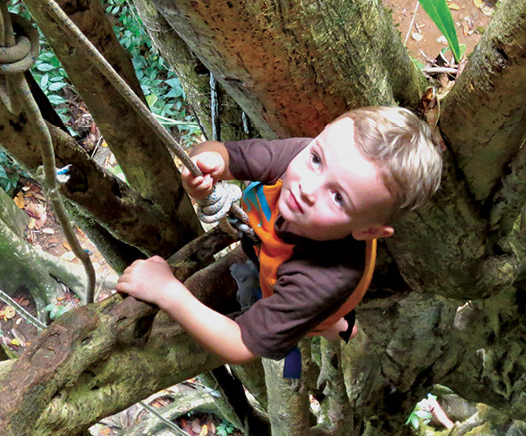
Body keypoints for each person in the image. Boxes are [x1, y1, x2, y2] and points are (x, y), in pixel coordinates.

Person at [116, 106, 442, 367]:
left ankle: (338, 328)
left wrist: (168, 291)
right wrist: (207, 164)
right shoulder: (302, 159)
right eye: (317, 159)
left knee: (322, 320)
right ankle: (339, 326)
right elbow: (224, 155)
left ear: (368, 231)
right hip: (275, 253)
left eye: (338, 197)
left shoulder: (322, 278)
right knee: (320, 313)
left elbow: (240, 344)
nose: (307, 188)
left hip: (319, 295)